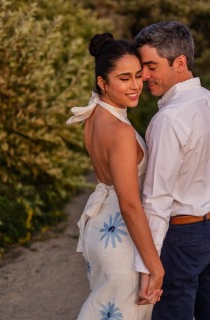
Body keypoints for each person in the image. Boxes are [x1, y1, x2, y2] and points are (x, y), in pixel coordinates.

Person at [133, 21, 210, 320]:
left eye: (151, 66)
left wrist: (147, 267)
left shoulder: (169, 119)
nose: (144, 76)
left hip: (183, 235)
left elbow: (156, 200)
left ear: (179, 63)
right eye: (141, 67)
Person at [66, 33, 164, 320]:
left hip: (100, 228)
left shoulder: (94, 114)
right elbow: (130, 206)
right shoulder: (119, 131)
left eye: (137, 76)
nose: (135, 86)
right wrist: (155, 267)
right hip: (120, 237)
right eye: (124, 78)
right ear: (102, 82)